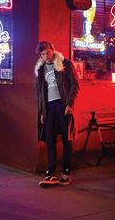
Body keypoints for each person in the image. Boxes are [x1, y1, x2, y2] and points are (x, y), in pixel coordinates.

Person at [35, 41, 79, 186]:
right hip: (48, 108)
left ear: (52, 50)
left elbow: (74, 85)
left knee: (67, 140)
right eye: (42, 54)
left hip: (62, 106)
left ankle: (66, 173)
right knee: (50, 140)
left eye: (47, 52)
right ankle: (51, 172)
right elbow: (40, 92)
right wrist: (42, 111)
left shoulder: (65, 64)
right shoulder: (41, 69)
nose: (45, 56)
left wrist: (70, 104)